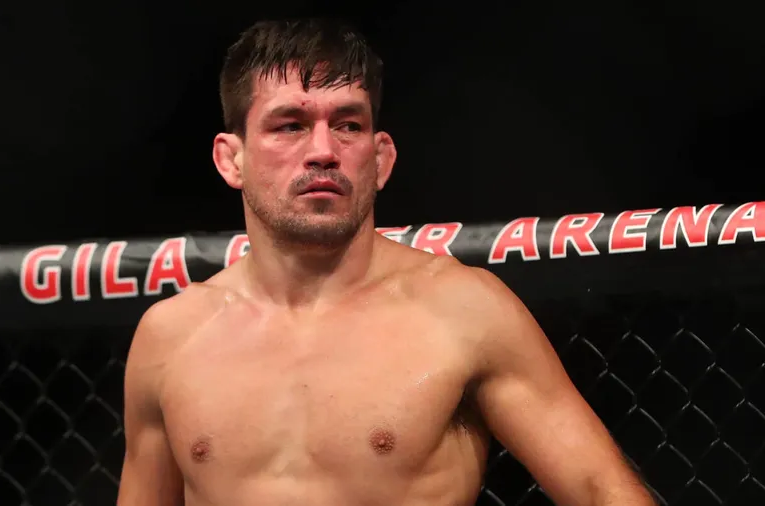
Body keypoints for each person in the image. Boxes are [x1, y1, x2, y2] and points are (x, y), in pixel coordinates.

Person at [117, 18, 657, 506]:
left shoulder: (464, 312)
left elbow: (600, 490)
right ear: (230, 158)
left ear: (380, 159)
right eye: (290, 125)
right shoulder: (171, 338)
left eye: (348, 124)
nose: (323, 150)